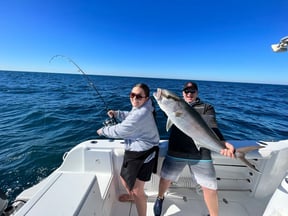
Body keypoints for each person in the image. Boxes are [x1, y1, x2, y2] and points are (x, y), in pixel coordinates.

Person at [153, 81, 235, 216]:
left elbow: (212, 125)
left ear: (197, 92)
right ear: (182, 93)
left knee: (210, 188)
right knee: (165, 179)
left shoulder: (206, 107)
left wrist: (223, 143)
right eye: (186, 91)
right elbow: (168, 115)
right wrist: (162, 101)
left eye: (192, 91)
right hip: (177, 150)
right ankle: (160, 198)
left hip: (201, 153)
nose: (189, 94)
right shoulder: (174, 106)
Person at [97, 83, 160, 216]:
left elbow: (121, 130)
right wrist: (117, 113)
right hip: (145, 150)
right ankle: (133, 197)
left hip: (141, 153)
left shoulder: (141, 113)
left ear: (147, 98)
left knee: (137, 189)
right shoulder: (144, 108)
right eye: (132, 95)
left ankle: (137, 201)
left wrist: (103, 130)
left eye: (139, 96)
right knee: (125, 179)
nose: (134, 98)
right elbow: (131, 115)